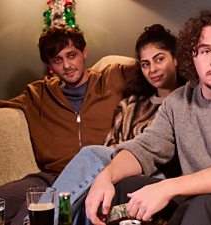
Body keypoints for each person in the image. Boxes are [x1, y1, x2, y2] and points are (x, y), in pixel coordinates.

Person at [85, 9, 211, 225]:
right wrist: (105, 177)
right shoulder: (178, 101)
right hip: (194, 194)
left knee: (203, 205)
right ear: (191, 58)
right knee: (122, 188)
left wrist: (168, 187)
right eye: (205, 51)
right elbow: (145, 148)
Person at [0, 24, 136, 225]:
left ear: (84, 52)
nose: (67, 66)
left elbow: (152, 63)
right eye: (58, 60)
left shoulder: (111, 78)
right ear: (50, 66)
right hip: (51, 179)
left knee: (30, 217)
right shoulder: (38, 94)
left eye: (71, 55)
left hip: (98, 176)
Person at [50, 24, 185, 224]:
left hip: (162, 178)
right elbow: (111, 147)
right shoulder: (130, 105)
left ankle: (37, 219)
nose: (153, 69)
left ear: (175, 58)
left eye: (159, 59)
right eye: (145, 64)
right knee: (97, 173)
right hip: (121, 173)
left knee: (91, 154)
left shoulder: (188, 102)